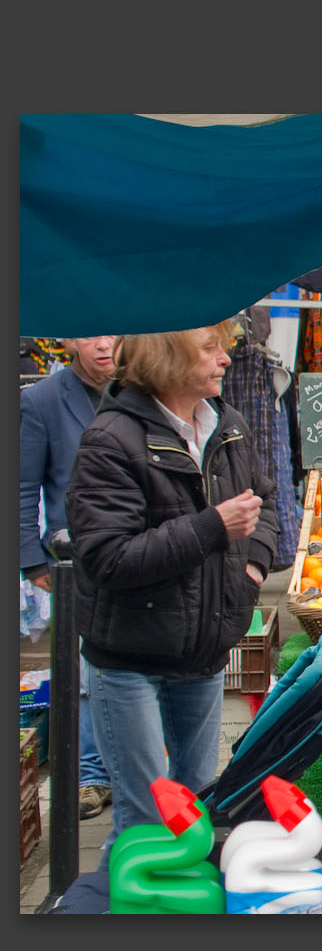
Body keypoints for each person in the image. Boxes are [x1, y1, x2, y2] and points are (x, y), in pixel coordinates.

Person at [65, 322, 279, 855]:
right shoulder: (111, 440)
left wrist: (250, 573)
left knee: (194, 806)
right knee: (144, 819)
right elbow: (107, 558)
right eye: (210, 349)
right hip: (130, 659)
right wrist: (213, 527)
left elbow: (267, 502)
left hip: (204, 652)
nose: (225, 360)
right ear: (167, 359)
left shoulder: (225, 425)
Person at [19, 334, 119, 819]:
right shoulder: (40, 401)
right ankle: (90, 775)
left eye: (112, 335)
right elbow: (21, 485)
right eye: (89, 336)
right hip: (73, 557)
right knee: (81, 670)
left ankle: (134, 767)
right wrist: (32, 562)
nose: (103, 345)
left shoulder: (141, 390)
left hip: (140, 552)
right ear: (67, 342)